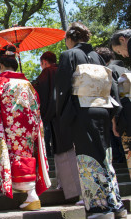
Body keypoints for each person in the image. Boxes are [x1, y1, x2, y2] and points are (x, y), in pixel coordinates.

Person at [56, 22, 127, 219]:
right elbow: (111, 84)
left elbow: (63, 89)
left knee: (88, 158)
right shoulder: (98, 57)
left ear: (70, 38)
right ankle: (116, 205)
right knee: (105, 156)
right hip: (103, 110)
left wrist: (63, 118)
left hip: (82, 112)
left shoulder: (68, 55)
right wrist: (113, 113)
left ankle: (99, 208)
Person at [0, 45, 51, 211]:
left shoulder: (1, 81)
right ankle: (31, 193)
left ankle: (31, 194)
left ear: (1, 65)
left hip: (11, 125)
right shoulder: (27, 83)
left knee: (13, 154)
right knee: (27, 153)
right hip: (29, 125)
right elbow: (37, 103)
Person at [32, 51, 81, 200]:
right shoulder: (64, 69)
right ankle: (65, 184)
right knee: (71, 150)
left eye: (41, 64)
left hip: (58, 117)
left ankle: (72, 190)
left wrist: (31, 85)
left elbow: (38, 92)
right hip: (73, 114)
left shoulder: (48, 72)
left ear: (44, 62)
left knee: (63, 152)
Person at [96, 47, 131, 176]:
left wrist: (114, 122)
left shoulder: (108, 71)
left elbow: (113, 97)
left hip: (122, 117)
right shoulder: (125, 69)